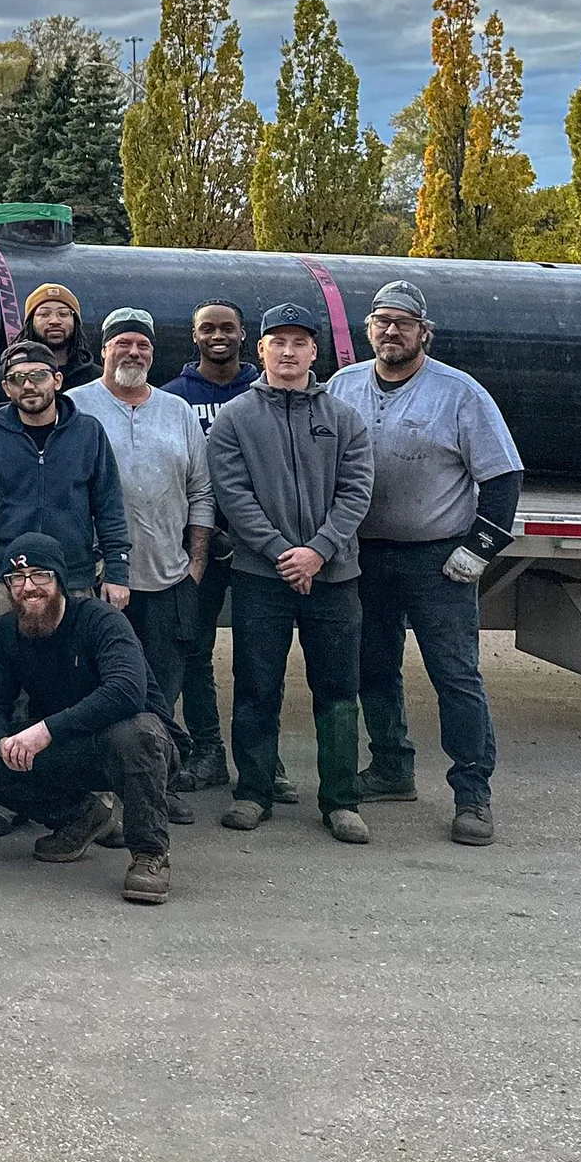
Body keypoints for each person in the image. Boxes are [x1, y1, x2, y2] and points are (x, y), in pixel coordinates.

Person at [324, 279, 523, 846]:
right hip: (365, 555)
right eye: (382, 321)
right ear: (369, 329)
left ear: (423, 332)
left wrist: (478, 550)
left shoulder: (459, 394)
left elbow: (503, 478)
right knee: (373, 667)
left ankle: (473, 793)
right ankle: (391, 769)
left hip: (438, 560)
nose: (392, 331)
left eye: (404, 323)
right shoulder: (344, 386)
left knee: (455, 675)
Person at [208, 302, 375, 843]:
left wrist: (318, 552)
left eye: (298, 342)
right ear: (260, 350)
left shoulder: (344, 417)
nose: (287, 351)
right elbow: (233, 495)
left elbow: (357, 491)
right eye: (276, 341)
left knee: (338, 689)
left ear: (313, 352)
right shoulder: (235, 417)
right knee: (257, 687)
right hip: (262, 578)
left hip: (334, 576)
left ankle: (341, 801)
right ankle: (253, 793)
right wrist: (284, 553)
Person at [0, 533, 175, 905]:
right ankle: (81, 817)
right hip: (66, 747)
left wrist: (45, 730)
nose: (28, 588)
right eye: (17, 579)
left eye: (40, 576)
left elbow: (127, 692)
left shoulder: (101, 621)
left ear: (60, 580)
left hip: (137, 749)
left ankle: (150, 855)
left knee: (136, 733)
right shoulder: (4, 633)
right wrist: (1, 742)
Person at [72, 306, 212, 821]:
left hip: (166, 576)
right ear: (104, 348)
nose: (133, 352)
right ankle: (93, 791)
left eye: (143, 345)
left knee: (161, 685)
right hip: (94, 581)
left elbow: (202, 491)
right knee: (94, 683)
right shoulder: (75, 407)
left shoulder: (177, 410)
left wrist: (195, 563)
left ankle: (156, 782)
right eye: (122, 343)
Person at [0, 337, 130, 611]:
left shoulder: (88, 432)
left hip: (73, 578)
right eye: (17, 378)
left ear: (57, 380)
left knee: (75, 655)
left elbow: (109, 507)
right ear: (5, 388)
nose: (28, 385)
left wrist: (117, 572)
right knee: (8, 653)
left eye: (38, 375)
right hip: (10, 580)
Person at [163, 300, 259, 790]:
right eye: (207, 328)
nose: (217, 335)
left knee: (260, 657)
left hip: (263, 545)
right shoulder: (173, 398)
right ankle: (208, 752)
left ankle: (266, 763)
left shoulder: (268, 392)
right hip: (197, 543)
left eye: (228, 328)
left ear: (244, 335)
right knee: (194, 650)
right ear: (194, 335)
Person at [0, 283, 99, 413]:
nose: (54, 321)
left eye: (63, 313)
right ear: (30, 322)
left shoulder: (96, 379)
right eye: (44, 314)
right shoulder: (1, 379)